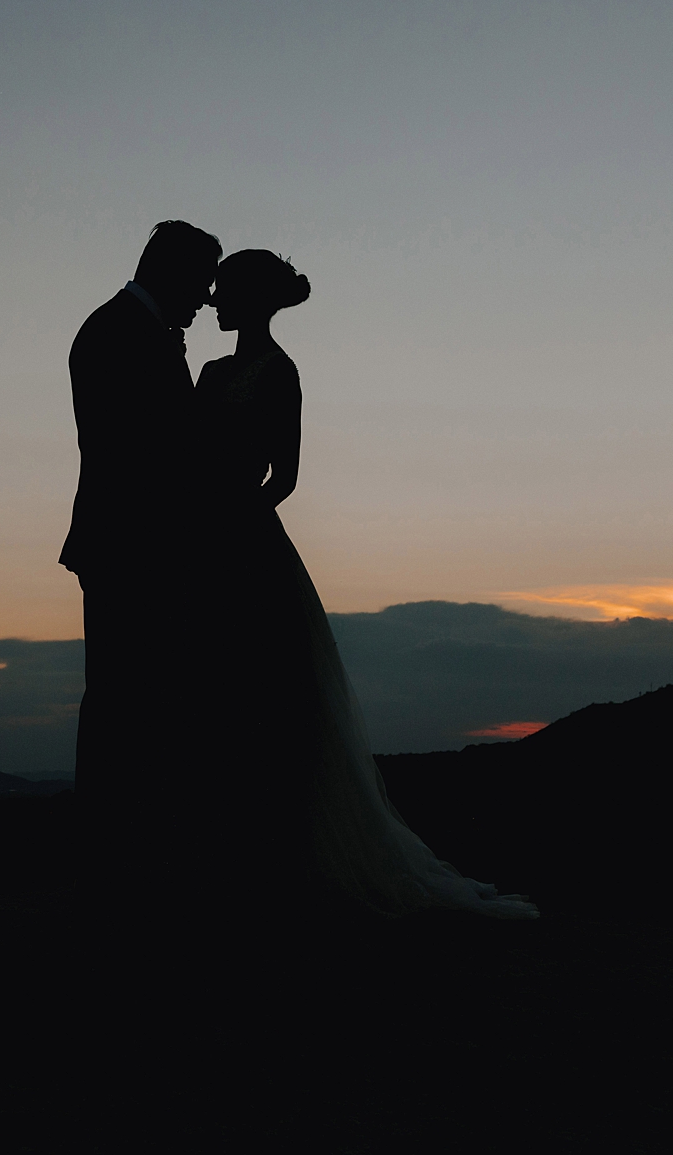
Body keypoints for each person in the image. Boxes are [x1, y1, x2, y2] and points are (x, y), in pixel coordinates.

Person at [195, 249, 537, 918]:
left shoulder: (280, 373)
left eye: (225, 290)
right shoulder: (207, 373)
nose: (214, 301)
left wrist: (234, 516)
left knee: (272, 703)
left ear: (255, 301)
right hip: (200, 544)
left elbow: (285, 478)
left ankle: (282, 864)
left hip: (248, 548)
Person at [61, 220, 222, 870]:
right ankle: (112, 838)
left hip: (135, 542)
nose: (206, 300)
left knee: (139, 692)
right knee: (122, 692)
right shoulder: (115, 333)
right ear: (172, 272)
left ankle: (130, 832)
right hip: (130, 543)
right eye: (201, 284)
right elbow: (134, 451)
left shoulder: (138, 331)